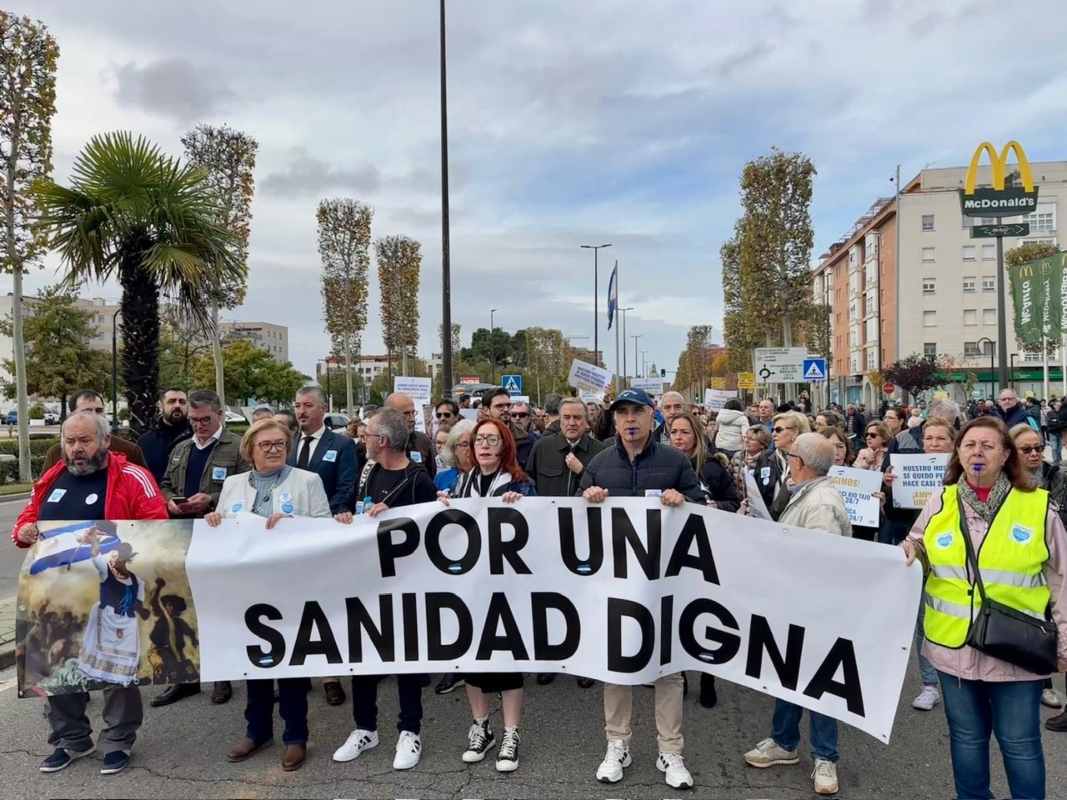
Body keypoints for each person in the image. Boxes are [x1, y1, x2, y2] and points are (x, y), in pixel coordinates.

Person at [902, 416, 1067, 800]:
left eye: (988, 445)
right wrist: (913, 552)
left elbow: (1062, 579)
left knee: (1020, 743)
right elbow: (917, 547)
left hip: (1017, 651)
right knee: (967, 740)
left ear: (1005, 454)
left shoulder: (1038, 507)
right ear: (957, 454)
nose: (977, 452)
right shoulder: (940, 501)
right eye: (969, 445)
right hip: (952, 649)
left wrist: (1064, 643)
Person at [12, 411, 168, 776]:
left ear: (105, 441)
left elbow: (158, 530)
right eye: (69, 441)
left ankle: (118, 740)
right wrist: (24, 532)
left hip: (111, 594)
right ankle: (71, 739)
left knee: (115, 671)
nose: (76, 449)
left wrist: (122, 555)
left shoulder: (132, 477)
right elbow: (26, 519)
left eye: (85, 441)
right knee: (54, 667)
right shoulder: (53, 477)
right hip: (54, 596)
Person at [580, 388, 703, 790]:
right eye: (623, 414)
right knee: (616, 667)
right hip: (614, 585)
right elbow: (572, 524)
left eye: (637, 412)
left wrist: (682, 498)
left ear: (653, 417)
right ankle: (618, 743)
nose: (630, 420)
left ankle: (671, 749)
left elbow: (702, 509)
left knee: (668, 671)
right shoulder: (598, 465)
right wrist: (588, 499)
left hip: (663, 585)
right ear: (614, 421)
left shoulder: (675, 461)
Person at [205, 418, 339, 771]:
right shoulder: (233, 485)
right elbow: (221, 529)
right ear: (250, 450)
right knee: (254, 663)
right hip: (247, 590)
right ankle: (257, 730)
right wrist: (214, 522)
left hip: (291, 589)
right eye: (265, 444)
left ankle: (296, 736)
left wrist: (298, 527)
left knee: (291, 665)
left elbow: (325, 530)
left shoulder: (307, 481)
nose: (274, 449)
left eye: (280, 443)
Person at [744, 433, 850, 796]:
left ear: (800, 463)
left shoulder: (820, 503)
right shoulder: (807, 495)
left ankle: (825, 756)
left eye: (789, 456)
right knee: (788, 674)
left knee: (818, 682)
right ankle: (784, 742)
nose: (786, 460)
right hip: (795, 603)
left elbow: (821, 558)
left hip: (814, 608)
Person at [333, 409, 439, 772]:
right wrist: (345, 516)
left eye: (367, 435)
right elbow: (349, 508)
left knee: (406, 660)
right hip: (367, 583)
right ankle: (365, 727)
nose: (362, 439)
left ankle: (410, 730)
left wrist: (396, 522)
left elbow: (430, 534)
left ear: (383, 440)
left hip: (406, 586)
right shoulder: (367, 471)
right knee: (363, 659)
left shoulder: (417, 479)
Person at [439, 418, 536, 772]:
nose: (483, 445)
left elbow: (541, 530)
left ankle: (511, 732)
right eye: (478, 439)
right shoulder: (459, 484)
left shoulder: (522, 485)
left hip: (507, 589)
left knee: (508, 661)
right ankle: (481, 726)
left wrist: (521, 506)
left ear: (504, 446)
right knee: (472, 661)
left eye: (491, 439)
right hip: (468, 588)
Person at [157, 389, 248, 706]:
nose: (199, 425)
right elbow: (165, 481)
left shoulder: (238, 447)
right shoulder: (181, 447)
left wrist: (211, 498)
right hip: (182, 532)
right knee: (180, 605)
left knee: (216, 606)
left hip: (218, 534)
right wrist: (169, 499)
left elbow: (246, 488)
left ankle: (222, 675)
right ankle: (186, 676)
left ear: (220, 415)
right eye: (195, 420)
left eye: (205, 419)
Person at [525, 397, 608, 688]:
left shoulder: (601, 451)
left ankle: (587, 661)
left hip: (588, 538)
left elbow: (607, 492)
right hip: (550, 538)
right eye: (566, 418)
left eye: (577, 418)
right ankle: (551, 659)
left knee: (586, 599)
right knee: (551, 600)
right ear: (558, 421)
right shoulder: (542, 448)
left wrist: (581, 470)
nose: (571, 423)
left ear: (587, 422)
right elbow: (530, 483)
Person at [288, 385, 356, 706]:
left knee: (323, 607)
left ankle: (330, 675)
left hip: (324, 537)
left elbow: (346, 487)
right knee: (294, 605)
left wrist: (320, 520)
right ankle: (299, 670)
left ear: (323, 408)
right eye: (298, 406)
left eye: (308, 406)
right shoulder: (286, 444)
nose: (301, 411)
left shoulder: (341, 445)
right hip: (289, 540)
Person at [668, 410, 739, 710]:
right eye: (674, 432)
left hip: (710, 552)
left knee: (707, 616)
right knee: (676, 615)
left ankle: (708, 676)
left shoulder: (712, 468)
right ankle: (680, 673)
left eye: (685, 432)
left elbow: (734, 501)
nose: (679, 438)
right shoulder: (663, 466)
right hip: (674, 553)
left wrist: (712, 505)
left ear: (697, 435)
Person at [1010, 422, 1067, 715]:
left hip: (1055, 557)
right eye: (1027, 449)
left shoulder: (1057, 476)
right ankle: (1040, 682)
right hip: (1022, 563)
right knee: (1034, 623)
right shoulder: (1003, 482)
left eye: (1038, 448)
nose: (1034, 454)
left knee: (1058, 621)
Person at [43, 390, 147, 471]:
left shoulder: (130, 451)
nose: (95, 415)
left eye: (99, 410)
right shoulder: (56, 454)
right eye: (87, 411)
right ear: (73, 414)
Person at [754, 411, 811, 520]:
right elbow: (759, 492)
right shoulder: (766, 457)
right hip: (766, 524)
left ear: (796, 432)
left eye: (779, 430)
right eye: (773, 430)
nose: (773, 434)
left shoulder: (809, 462)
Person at [136, 388, 192, 484]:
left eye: (182, 402)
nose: (177, 405)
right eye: (172, 401)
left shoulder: (197, 438)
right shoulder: (145, 441)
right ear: (161, 406)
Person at [384, 392, 436, 477]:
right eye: (406, 414)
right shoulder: (378, 442)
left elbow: (431, 474)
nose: (412, 419)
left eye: (413, 413)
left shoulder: (422, 441)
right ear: (390, 415)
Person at [730, 427, 770, 501]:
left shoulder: (768, 462)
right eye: (746, 437)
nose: (746, 441)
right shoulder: (737, 456)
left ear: (762, 445)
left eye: (752, 439)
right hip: (736, 502)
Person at [509, 398, 541, 467]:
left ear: (530, 418)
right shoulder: (504, 439)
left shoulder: (537, 441)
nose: (517, 418)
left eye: (522, 415)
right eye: (514, 415)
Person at [1047, 397, 1065, 467]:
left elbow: (1063, 423)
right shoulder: (1050, 413)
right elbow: (1050, 423)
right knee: (1054, 447)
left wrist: (1056, 422)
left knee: (1059, 448)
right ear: (1054, 406)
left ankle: (1059, 460)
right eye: (1057, 405)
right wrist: (1058, 423)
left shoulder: (1062, 413)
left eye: (1059, 406)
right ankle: (1055, 461)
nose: (1058, 407)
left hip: (1060, 433)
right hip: (1053, 433)